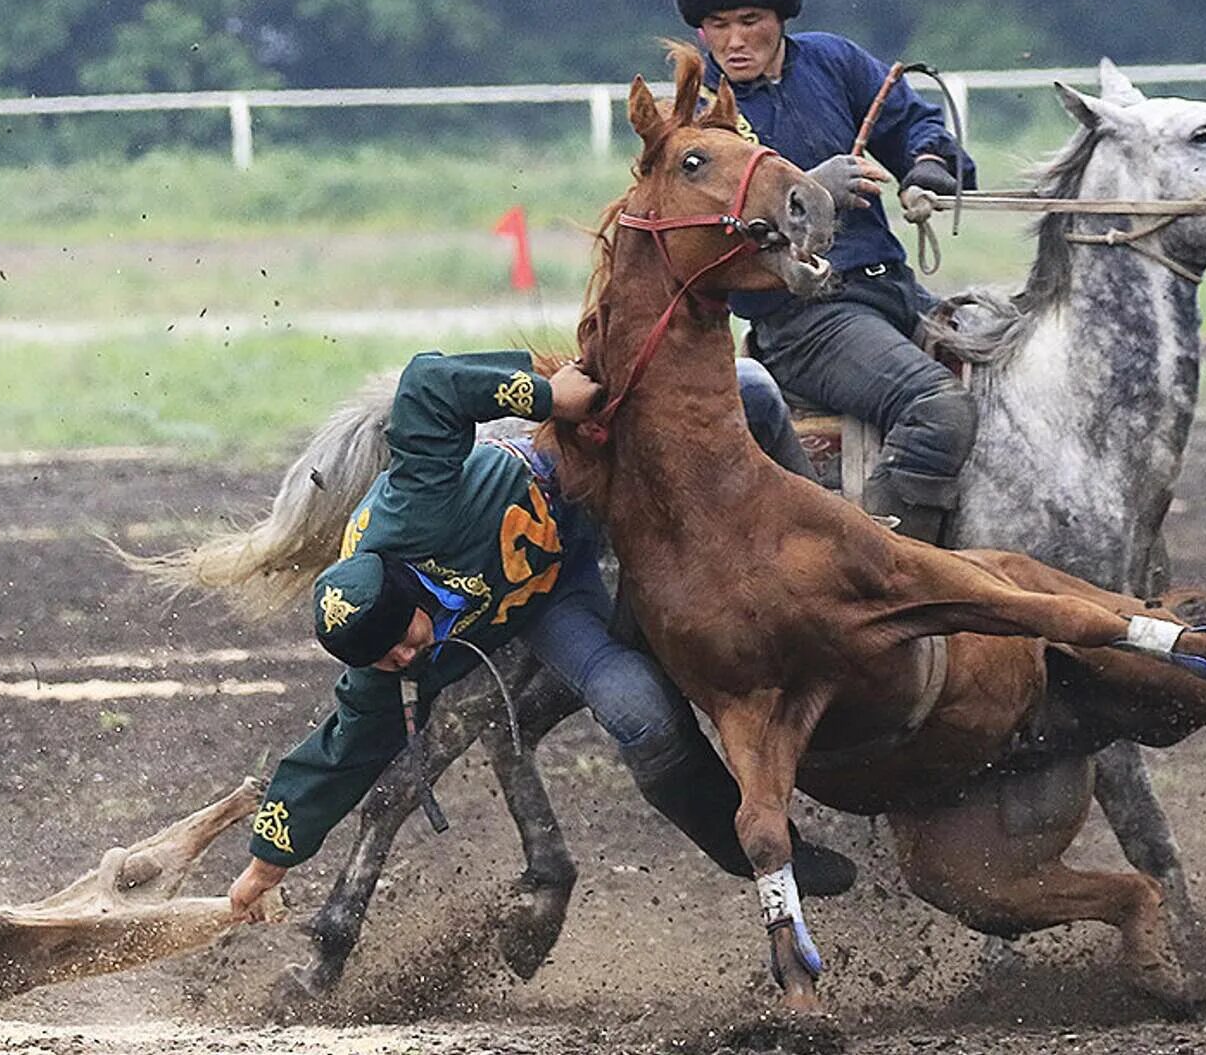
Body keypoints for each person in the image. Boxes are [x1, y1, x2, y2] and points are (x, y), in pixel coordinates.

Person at [227, 350, 853, 922]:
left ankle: (840, 536)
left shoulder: (414, 508)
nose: (402, 660)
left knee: (754, 389)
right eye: (383, 661)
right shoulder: (387, 660)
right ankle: (764, 854)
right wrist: (263, 867)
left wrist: (548, 397)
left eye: (400, 641)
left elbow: (426, 386)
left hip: (575, 465)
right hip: (554, 593)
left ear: (409, 585)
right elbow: (335, 754)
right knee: (640, 714)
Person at [675, 0, 980, 546]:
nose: (734, 41)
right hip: (804, 318)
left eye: (750, 21)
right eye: (718, 25)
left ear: (780, 21)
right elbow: (697, 236)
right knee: (939, 409)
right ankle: (884, 564)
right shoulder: (698, 110)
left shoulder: (833, 61)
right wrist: (811, 190)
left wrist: (927, 166)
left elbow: (913, 120)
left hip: (893, 290)